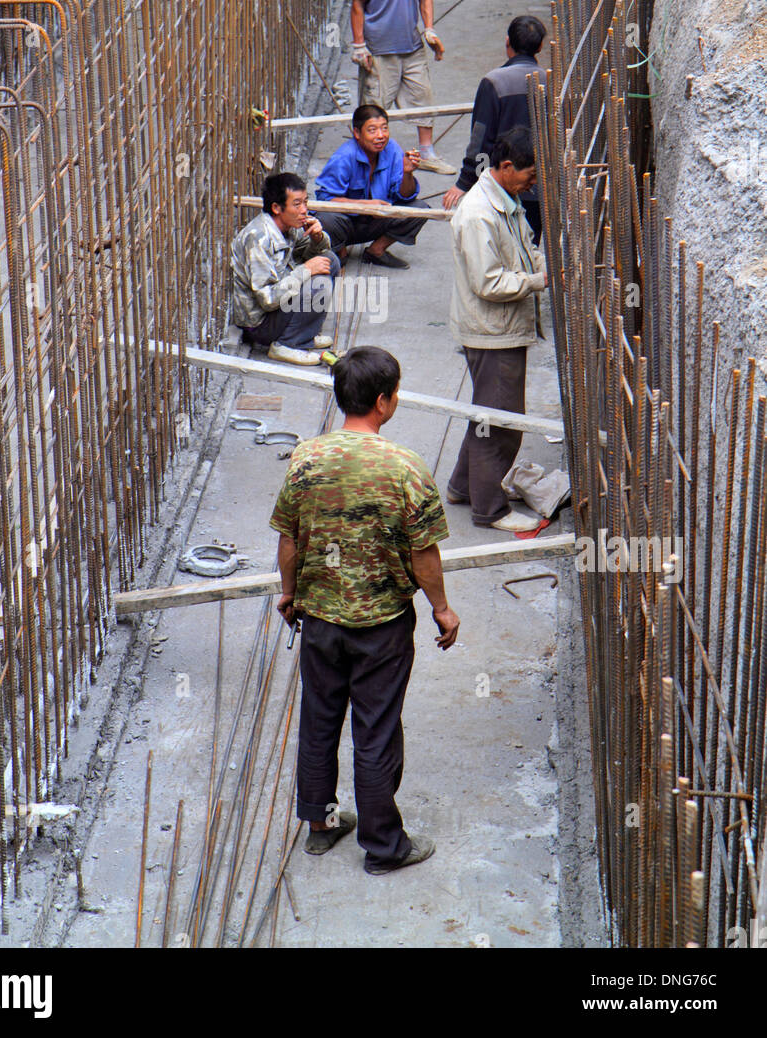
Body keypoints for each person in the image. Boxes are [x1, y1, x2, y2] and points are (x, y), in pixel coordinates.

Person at [270, 346, 460, 874]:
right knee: (375, 731)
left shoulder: (306, 459)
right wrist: (441, 608)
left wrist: (289, 592)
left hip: (321, 621)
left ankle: (321, 825)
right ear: (384, 402)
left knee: (320, 720)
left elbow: (289, 538)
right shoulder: (404, 469)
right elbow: (423, 553)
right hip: (381, 627)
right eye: (394, 392)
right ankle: (383, 847)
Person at [447, 126, 548, 532]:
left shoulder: (506, 199)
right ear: (506, 167)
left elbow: (525, 249)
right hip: (492, 331)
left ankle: (462, 486)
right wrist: (539, 282)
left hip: (499, 327)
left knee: (486, 415)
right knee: (501, 425)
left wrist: (540, 266)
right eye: (529, 175)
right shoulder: (479, 214)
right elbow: (488, 282)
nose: (533, 183)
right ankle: (490, 509)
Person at [351, 0, 456, 176]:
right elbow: (358, 4)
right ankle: (368, 164)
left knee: (423, 98)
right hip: (379, 52)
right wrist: (359, 45)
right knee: (373, 110)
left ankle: (426, 153)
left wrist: (429, 28)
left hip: (411, 47)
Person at [442, 14, 547, 243]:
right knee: (528, 249)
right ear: (540, 46)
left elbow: (481, 139)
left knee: (499, 249)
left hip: (503, 186)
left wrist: (467, 182)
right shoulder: (550, 81)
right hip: (538, 185)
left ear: (507, 41)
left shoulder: (494, 82)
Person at [230, 171, 341, 366]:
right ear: (276, 208)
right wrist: (305, 269)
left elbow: (312, 253)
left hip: (280, 307)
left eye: (306, 202)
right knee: (319, 282)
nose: (304, 210)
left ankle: (305, 334)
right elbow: (268, 300)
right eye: (297, 204)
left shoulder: (291, 226)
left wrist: (317, 238)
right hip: (260, 324)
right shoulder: (258, 238)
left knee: (329, 259)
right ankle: (286, 344)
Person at [313, 104, 431, 270]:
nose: (380, 136)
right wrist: (365, 206)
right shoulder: (344, 157)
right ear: (357, 133)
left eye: (384, 128)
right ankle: (340, 250)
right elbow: (324, 200)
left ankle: (376, 250)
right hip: (347, 223)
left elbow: (406, 195)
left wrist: (407, 173)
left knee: (420, 209)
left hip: (378, 220)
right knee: (326, 218)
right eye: (372, 130)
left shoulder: (392, 149)